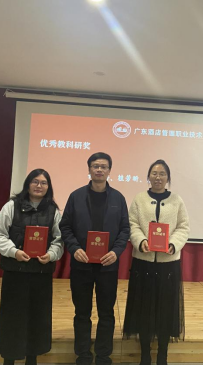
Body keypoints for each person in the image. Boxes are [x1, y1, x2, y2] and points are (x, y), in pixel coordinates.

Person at [59, 152, 130, 365]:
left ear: (109, 171)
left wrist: (116, 252)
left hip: (108, 266)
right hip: (81, 265)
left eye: (103, 166)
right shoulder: (76, 196)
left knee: (106, 312)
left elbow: (124, 230)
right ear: (89, 169)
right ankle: (82, 355)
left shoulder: (118, 198)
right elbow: (65, 227)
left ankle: (103, 356)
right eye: (95, 166)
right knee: (82, 312)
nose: (99, 170)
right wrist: (74, 248)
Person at [0, 169, 64, 366]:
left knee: (37, 318)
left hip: (41, 273)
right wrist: (14, 252)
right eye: (35, 181)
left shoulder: (53, 211)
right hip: (15, 272)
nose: (39, 186)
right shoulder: (11, 206)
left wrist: (51, 255)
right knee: (12, 317)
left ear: (48, 187)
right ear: (27, 184)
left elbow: (59, 240)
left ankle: (32, 359)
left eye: (43, 183)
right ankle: (9, 359)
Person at [123, 159, 190, 366]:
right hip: (143, 263)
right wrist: (140, 241)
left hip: (168, 264)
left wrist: (173, 244)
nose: (158, 177)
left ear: (168, 178)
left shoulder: (177, 200)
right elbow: (132, 224)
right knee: (144, 309)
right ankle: (145, 355)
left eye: (162, 174)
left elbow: (183, 227)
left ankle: (162, 355)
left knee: (165, 310)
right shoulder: (139, 199)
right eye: (154, 173)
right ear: (148, 176)